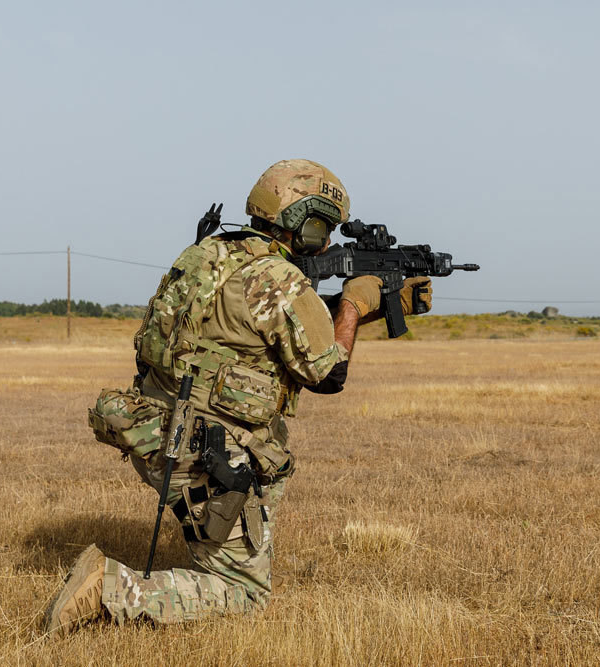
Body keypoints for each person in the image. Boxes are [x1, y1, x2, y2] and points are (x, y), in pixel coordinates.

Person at [42, 159, 432, 635]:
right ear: (302, 224)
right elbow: (327, 373)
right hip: (209, 454)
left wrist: (373, 306)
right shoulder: (279, 278)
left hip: (155, 431)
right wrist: (352, 304)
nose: (328, 243)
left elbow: (275, 328)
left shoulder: (209, 255)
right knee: (243, 594)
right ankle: (108, 589)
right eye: (323, 229)